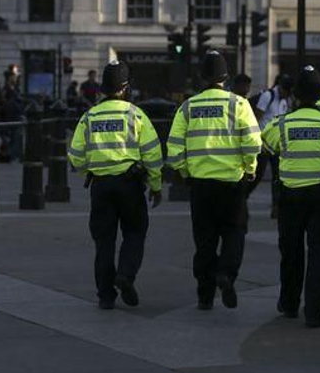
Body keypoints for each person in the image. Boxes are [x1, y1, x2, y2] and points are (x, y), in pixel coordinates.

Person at [166, 51, 261, 310]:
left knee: (204, 240)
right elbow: (253, 142)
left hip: (200, 185)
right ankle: (226, 274)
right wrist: (249, 169)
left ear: (201, 77)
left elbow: (174, 148)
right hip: (232, 182)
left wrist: (185, 173)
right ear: (225, 77)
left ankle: (204, 295)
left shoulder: (188, 107)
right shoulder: (239, 105)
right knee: (235, 231)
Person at [67, 61, 163, 309]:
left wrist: (92, 170)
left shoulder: (90, 116)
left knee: (104, 242)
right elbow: (152, 154)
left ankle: (105, 296)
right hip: (130, 184)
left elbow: (76, 156)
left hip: (100, 186)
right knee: (135, 232)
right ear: (125, 88)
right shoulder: (135, 114)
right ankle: (126, 275)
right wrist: (156, 185)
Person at [262, 66, 320, 328]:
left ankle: (289, 304)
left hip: (291, 197)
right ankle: (315, 312)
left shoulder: (283, 123)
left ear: (295, 97)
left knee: (291, 251)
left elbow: (266, 143)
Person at [253, 75, 294, 212]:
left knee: (277, 176)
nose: (286, 95)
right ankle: (243, 196)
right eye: (285, 92)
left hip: (277, 144)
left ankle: (276, 206)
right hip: (263, 143)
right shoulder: (267, 96)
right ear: (281, 88)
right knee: (258, 173)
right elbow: (256, 119)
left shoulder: (285, 100)